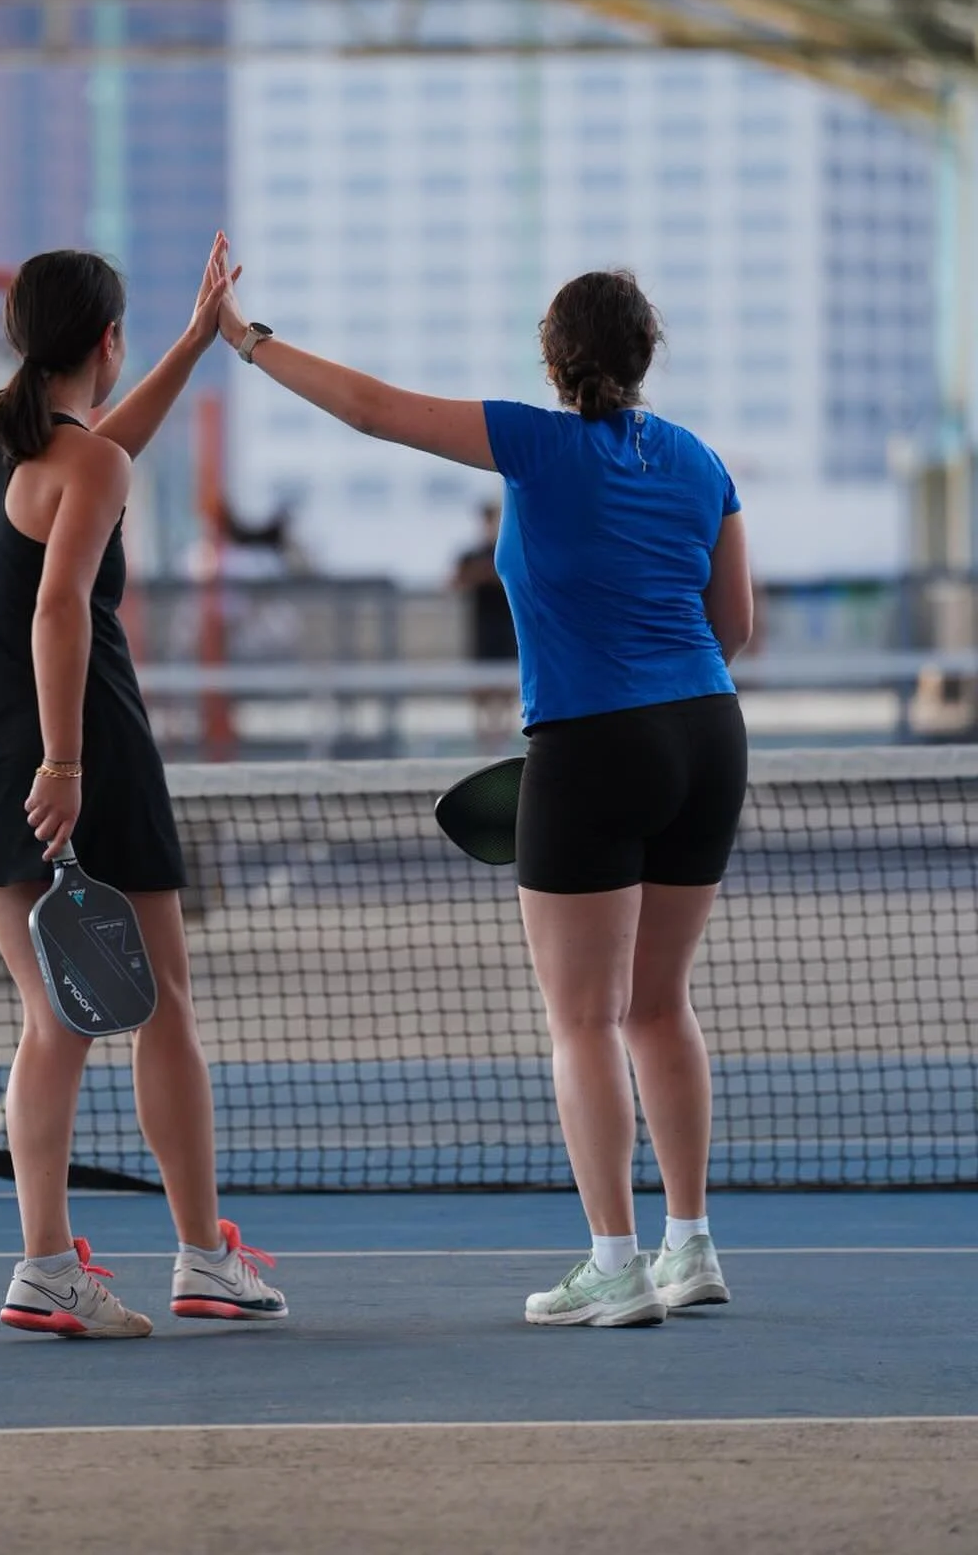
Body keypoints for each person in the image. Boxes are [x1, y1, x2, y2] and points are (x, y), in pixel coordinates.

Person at [214, 251, 752, 1329]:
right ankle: (689, 1246)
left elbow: (372, 410)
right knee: (659, 1005)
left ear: (553, 361)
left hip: (592, 744)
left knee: (585, 1021)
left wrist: (246, 339)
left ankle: (616, 1266)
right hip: (707, 736)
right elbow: (734, 626)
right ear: (645, 356)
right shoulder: (700, 462)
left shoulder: (537, 444)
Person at [0, 237, 287, 1337]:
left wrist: (193, 341)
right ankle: (202, 1256)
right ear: (105, 341)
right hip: (83, 756)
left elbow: (95, 450)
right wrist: (67, 763)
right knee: (162, 1002)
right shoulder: (89, 469)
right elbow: (58, 608)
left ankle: (45, 1264)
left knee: (52, 1019)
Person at [451, 501, 520, 744]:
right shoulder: (472, 556)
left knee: (506, 695)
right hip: (483, 632)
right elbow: (455, 584)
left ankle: (504, 742)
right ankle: (484, 743)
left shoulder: (511, 552)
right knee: (481, 694)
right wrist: (478, 575)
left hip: (507, 630)